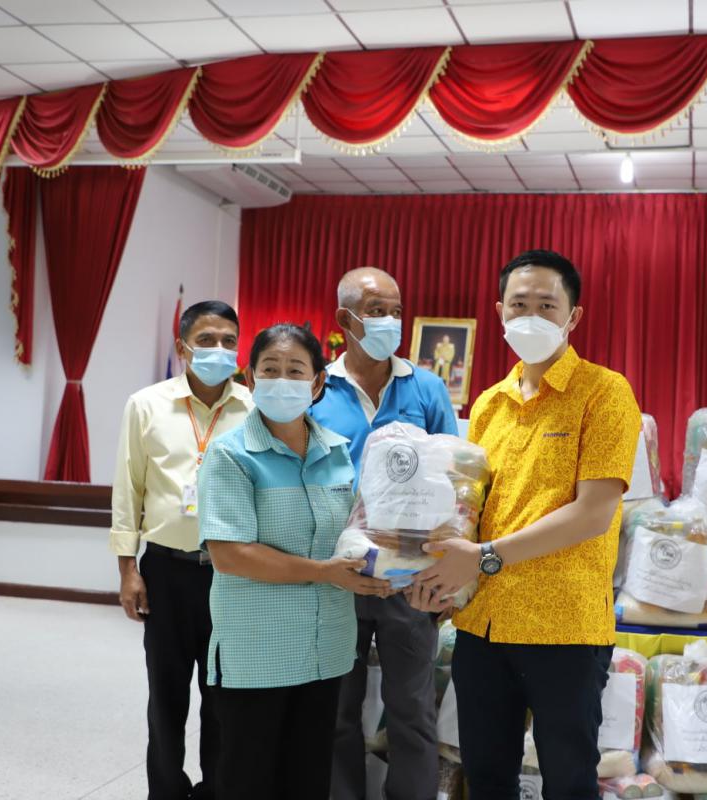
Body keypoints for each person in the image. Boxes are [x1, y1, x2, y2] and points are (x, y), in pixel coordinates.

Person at [408, 250, 642, 800]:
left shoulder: (604, 392)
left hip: (564, 626)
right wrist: (437, 580)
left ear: (572, 316)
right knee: (487, 777)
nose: (530, 316)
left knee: (569, 782)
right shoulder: (489, 404)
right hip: (482, 626)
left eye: (546, 305)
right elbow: (469, 511)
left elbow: (593, 512)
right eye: (519, 304)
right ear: (499, 312)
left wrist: (483, 556)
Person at [197, 323, 395, 800]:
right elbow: (230, 554)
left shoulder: (338, 452)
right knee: (248, 781)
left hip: (324, 650)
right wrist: (324, 573)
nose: (282, 380)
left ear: (317, 382)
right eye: (270, 369)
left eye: (295, 370)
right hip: (257, 652)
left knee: (307, 780)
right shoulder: (230, 455)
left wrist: (394, 557)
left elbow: (355, 531)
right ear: (250, 378)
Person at [312, 267, 458, 800]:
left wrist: (443, 573)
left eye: (396, 311)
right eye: (377, 311)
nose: (390, 321)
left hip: (409, 579)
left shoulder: (427, 387)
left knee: (412, 713)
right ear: (344, 319)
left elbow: (457, 482)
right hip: (338, 575)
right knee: (336, 711)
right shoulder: (317, 390)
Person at [110, 300, 252, 800]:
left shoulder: (254, 409)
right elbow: (128, 489)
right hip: (166, 572)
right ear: (182, 347)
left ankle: (217, 791)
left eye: (229, 341)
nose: (219, 350)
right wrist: (128, 570)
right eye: (207, 340)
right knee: (166, 696)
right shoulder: (146, 405)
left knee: (223, 697)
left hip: (232, 575)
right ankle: (166, 791)